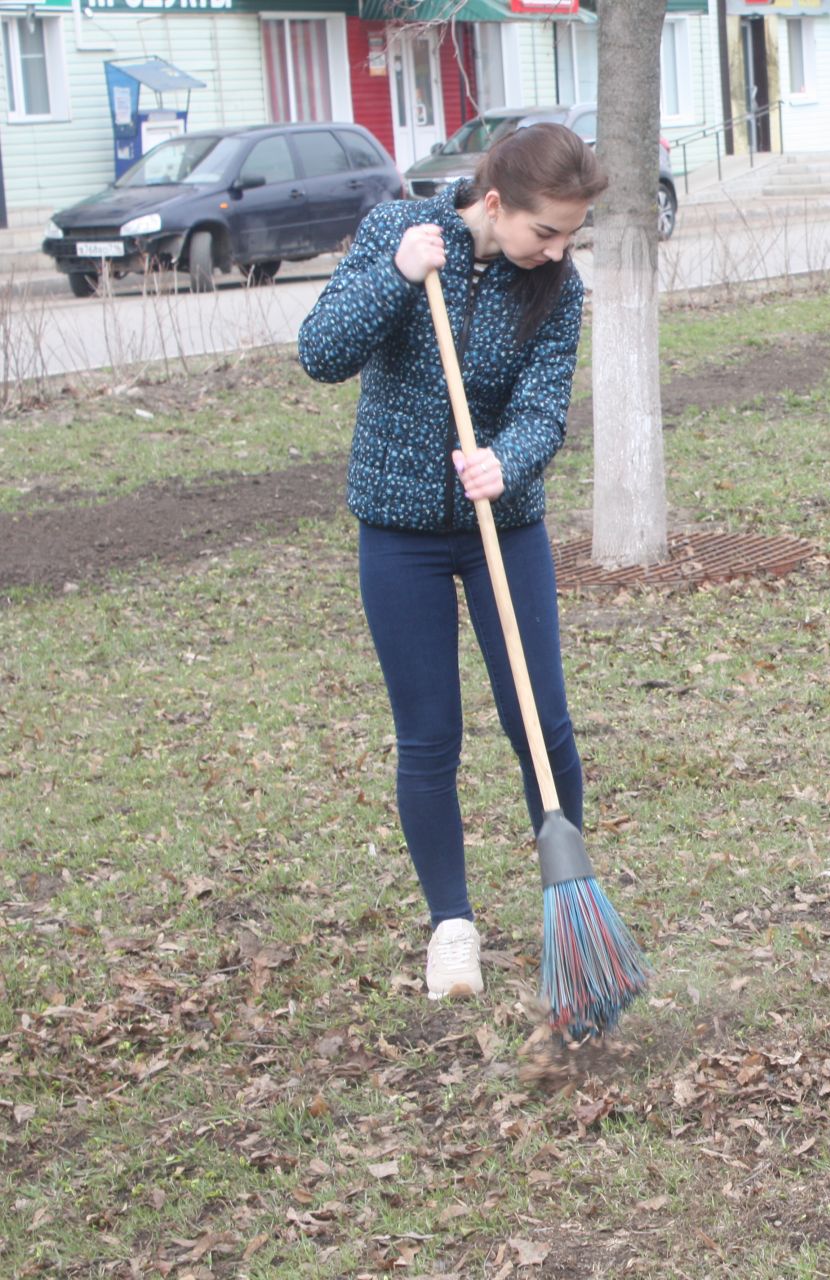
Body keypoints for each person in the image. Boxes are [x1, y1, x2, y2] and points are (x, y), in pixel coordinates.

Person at [298, 124, 608, 998]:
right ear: (497, 202)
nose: (556, 252)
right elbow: (321, 354)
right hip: (399, 535)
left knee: (540, 724)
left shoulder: (557, 290)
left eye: (570, 236)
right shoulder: (391, 234)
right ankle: (452, 926)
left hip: (501, 531)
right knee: (429, 736)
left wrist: (506, 458)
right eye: (546, 232)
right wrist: (397, 277)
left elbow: (546, 407)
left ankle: (566, 904)